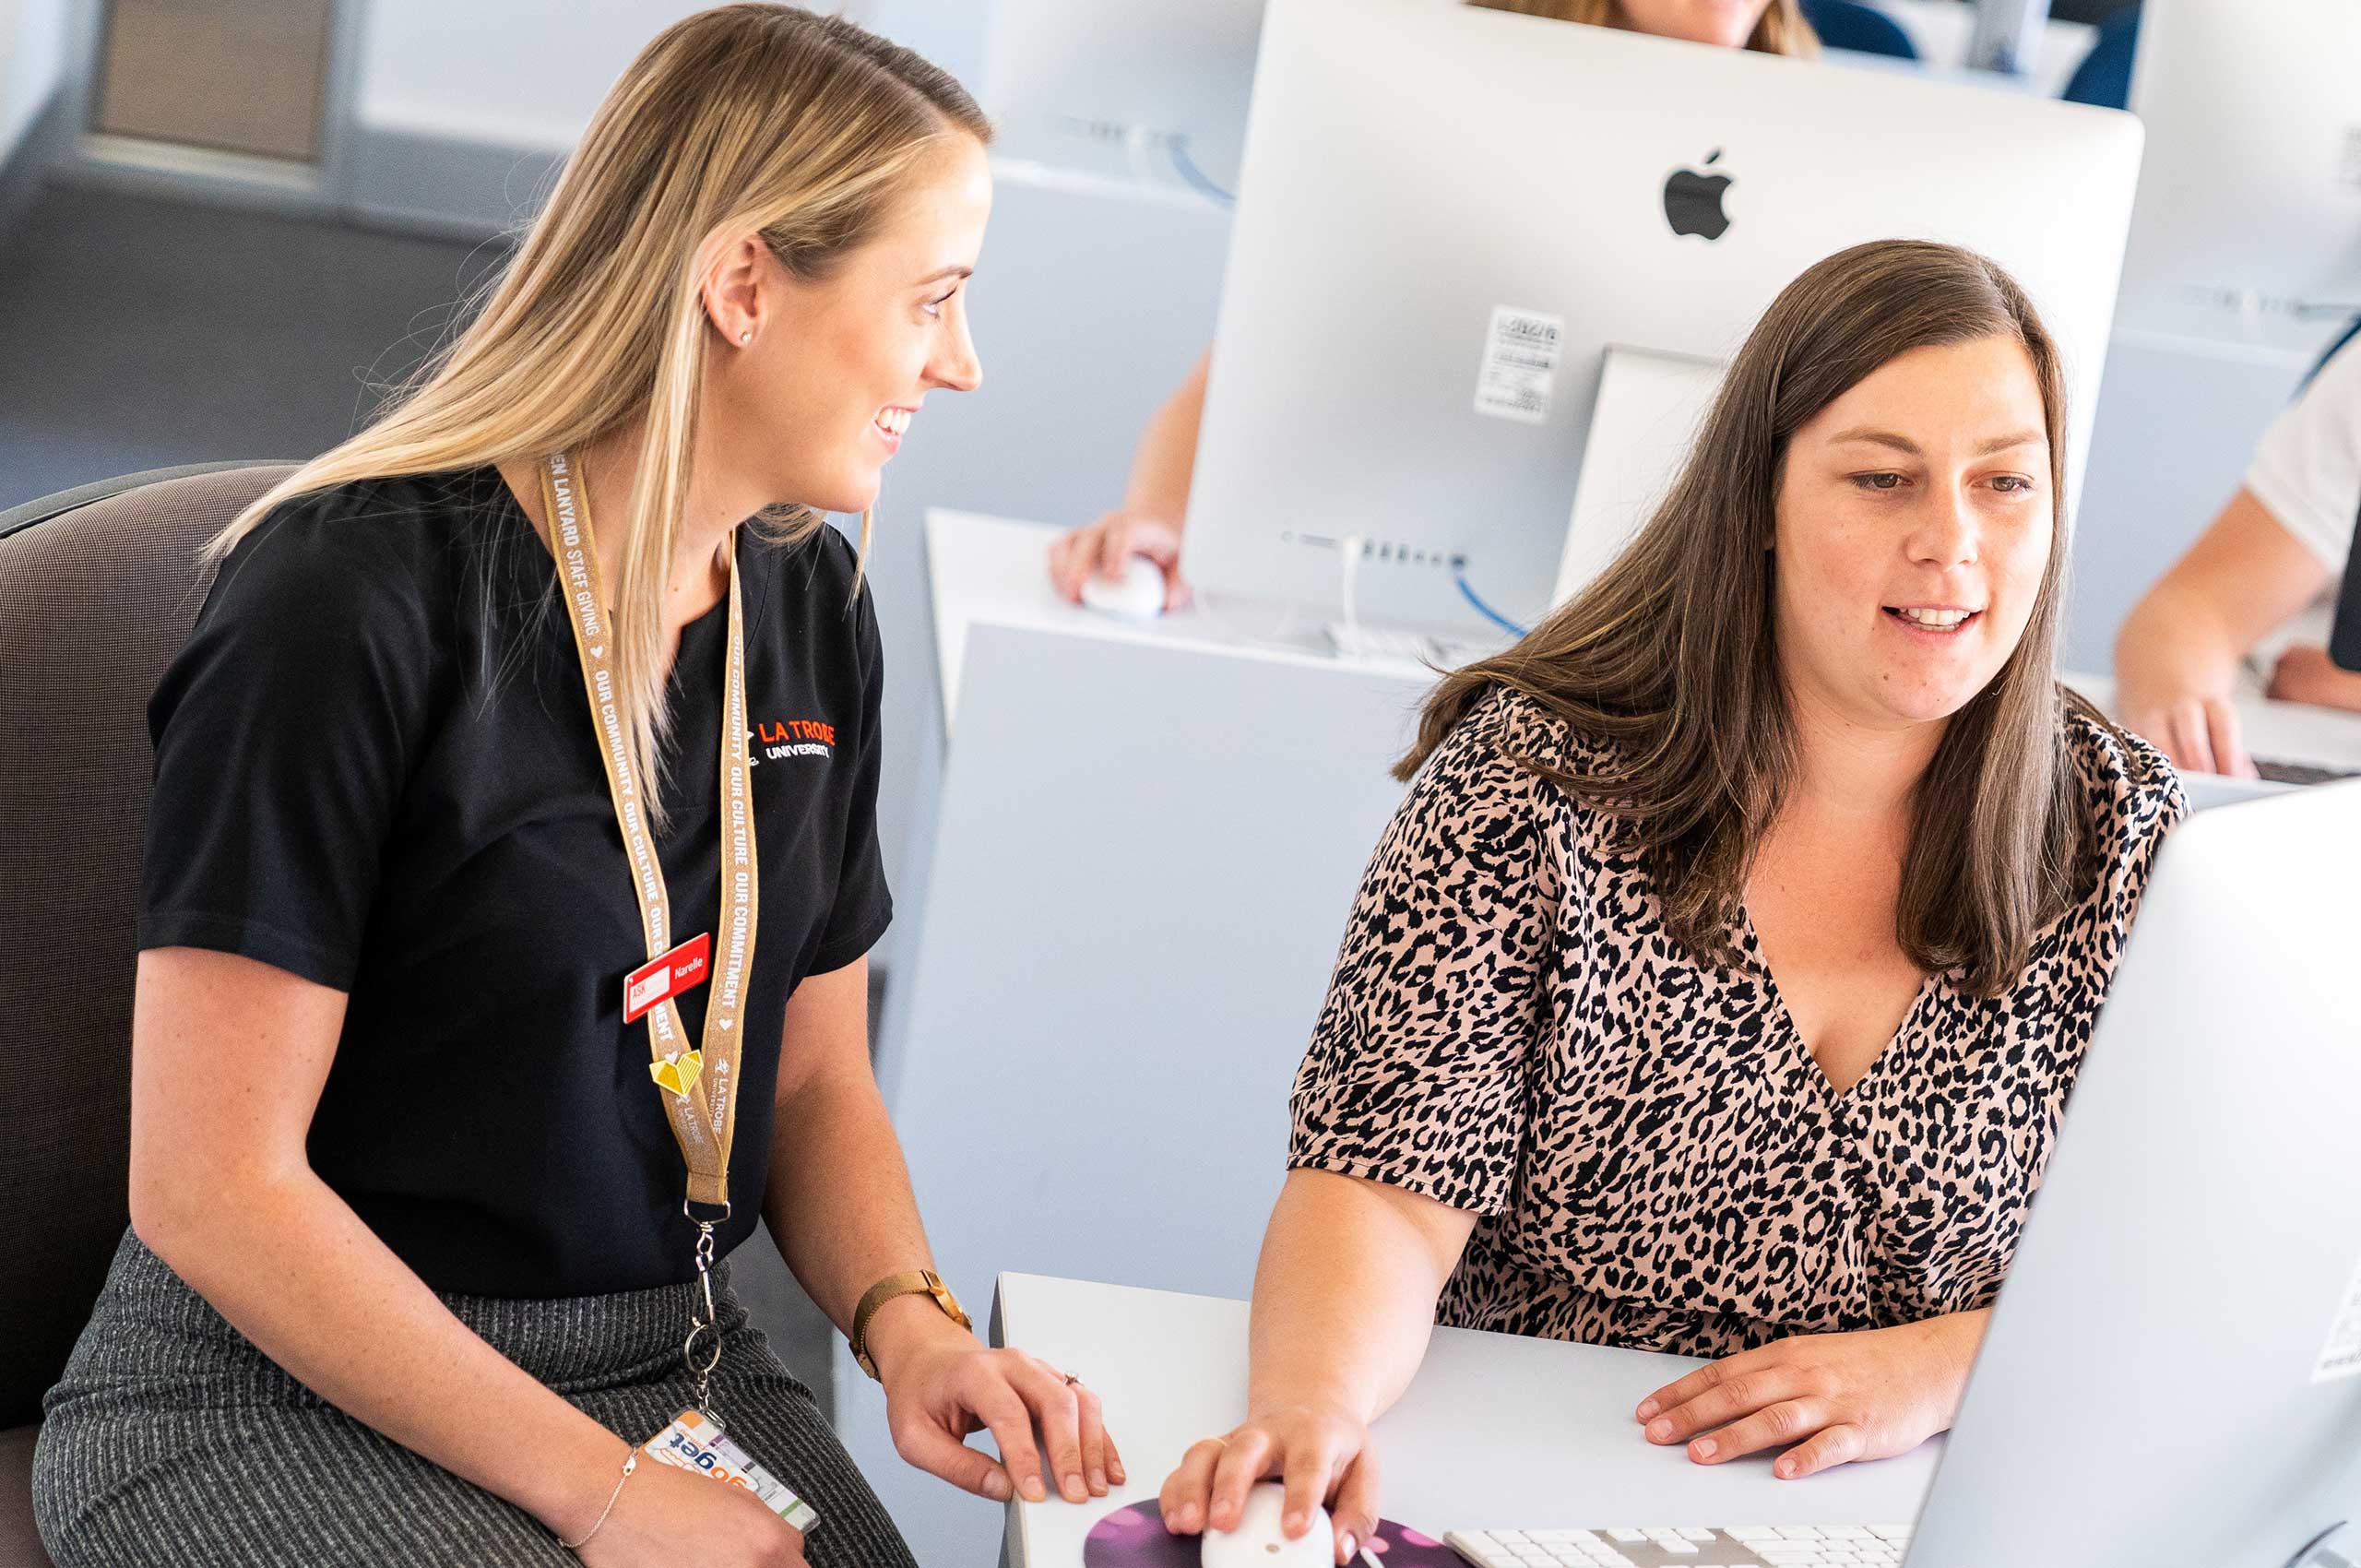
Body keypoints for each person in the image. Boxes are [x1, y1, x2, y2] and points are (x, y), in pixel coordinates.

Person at [32, 10, 1118, 1568]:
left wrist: (911, 1326)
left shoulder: (810, 609)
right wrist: (602, 1496)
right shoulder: (342, 602)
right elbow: (212, 1191)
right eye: (931, 302)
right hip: (275, 1378)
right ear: (742, 285)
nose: (961, 363)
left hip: (661, 1354)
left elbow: (810, 1081)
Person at [1155, 241, 2186, 1565]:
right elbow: (1387, 1189)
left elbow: (2187, 1259)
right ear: (1757, 498)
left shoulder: (2124, 830)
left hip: (1925, 1505)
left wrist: (1943, 1370)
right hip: (1545, 1490)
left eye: (2006, 484)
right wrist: (1315, 1411)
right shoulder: (1536, 780)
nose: (1953, 543)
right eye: (1881, 479)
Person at [1046, 0, 1822, 611]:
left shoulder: (1827, 139)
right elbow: (1256, 358)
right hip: (1409, 587)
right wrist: (1163, 521)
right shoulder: (1441, 88)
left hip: (1678, 613)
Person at [2112, 325, 2361, 777]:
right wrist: (2189, 738)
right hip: (2287, 738)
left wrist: (2331, 682)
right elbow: (2185, 619)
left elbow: (2315, 678)